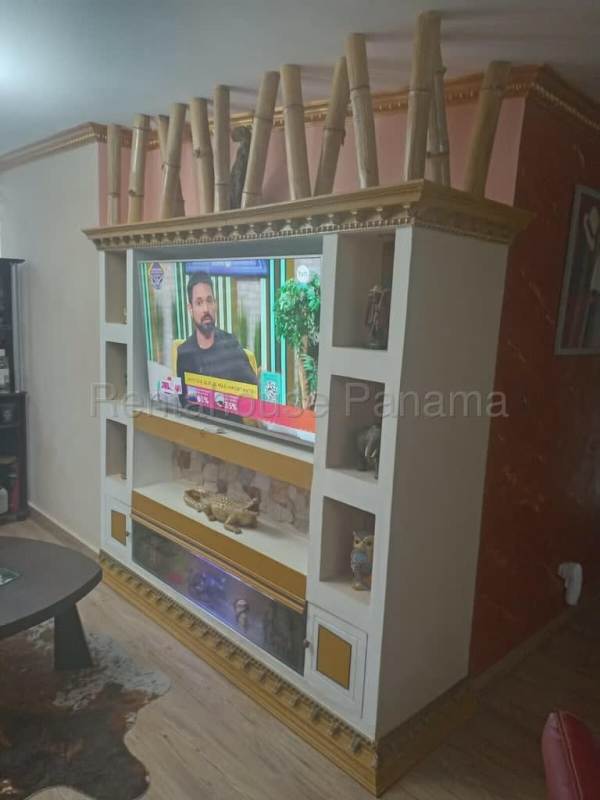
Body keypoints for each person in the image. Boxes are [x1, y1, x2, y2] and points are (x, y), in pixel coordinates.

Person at [177, 271, 257, 418]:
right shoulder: (184, 353)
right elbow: (185, 405)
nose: (206, 309)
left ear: (215, 304)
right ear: (191, 309)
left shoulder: (231, 344)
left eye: (209, 300)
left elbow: (253, 392)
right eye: (199, 303)